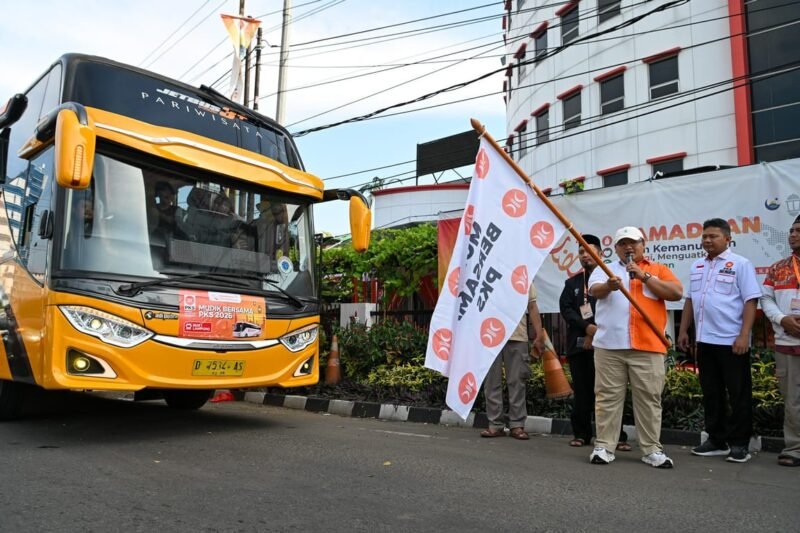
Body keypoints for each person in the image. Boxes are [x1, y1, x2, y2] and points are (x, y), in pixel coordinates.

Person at [588, 227, 682, 468]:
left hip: (648, 346)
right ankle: (604, 446)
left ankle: (651, 450)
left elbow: (676, 293)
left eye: (633, 243)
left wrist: (644, 277)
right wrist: (609, 286)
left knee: (649, 399)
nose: (628, 248)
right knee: (607, 397)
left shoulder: (658, 269)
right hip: (610, 347)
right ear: (616, 248)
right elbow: (594, 290)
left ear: (644, 244)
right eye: (623, 244)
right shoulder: (604, 269)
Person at [677, 219, 761, 463]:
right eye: (704, 236)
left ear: (727, 238)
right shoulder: (697, 266)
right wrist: (684, 331)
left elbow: (751, 301)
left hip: (732, 341)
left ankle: (739, 444)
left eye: (713, 236)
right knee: (711, 393)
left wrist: (744, 335)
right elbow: (690, 300)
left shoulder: (741, 264)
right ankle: (716, 440)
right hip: (705, 341)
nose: (707, 240)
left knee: (738, 394)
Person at [559, 234, 629, 451]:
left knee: (610, 392)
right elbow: (567, 310)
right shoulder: (572, 283)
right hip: (580, 346)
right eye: (581, 253)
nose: (585, 256)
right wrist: (587, 329)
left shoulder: (613, 278)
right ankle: (581, 434)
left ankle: (617, 436)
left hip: (608, 344)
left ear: (600, 253)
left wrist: (595, 333)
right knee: (582, 391)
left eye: (589, 252)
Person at [760, 215, 800, 467]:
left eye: (798, 231)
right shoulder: (778, 268)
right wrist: (782, 318)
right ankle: (794, 448)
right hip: (787, 342)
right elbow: (766, 299)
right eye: (791, 230)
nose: (792, 235)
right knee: (793, 400)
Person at [480, 282, 543, 440]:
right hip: (489, 336)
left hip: (517, 335)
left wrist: (539, 334)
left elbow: (532, 306)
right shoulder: (486, 273)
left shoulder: (522, 272)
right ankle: (495, 425)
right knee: (491, 382)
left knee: (517, 382)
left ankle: (517, 425)